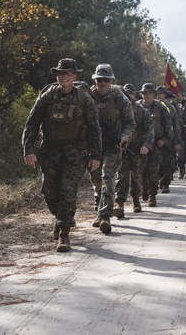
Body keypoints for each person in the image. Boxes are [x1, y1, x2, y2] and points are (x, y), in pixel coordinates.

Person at [21, 58, 102, 252]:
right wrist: (29, 150)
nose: (63, 76)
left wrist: (95, 155)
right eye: (60, 73)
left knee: (67, 191)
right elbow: (31, 124)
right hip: (50, 151)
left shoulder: (84, 99)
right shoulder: (47, 96)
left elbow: (94, 129)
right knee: (49, 192)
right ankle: (60, 219)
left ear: (74, 76)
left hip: (76, 152)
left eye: (67, 73)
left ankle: (64, 233)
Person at [88, 63, 135, 234]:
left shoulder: (120, 99)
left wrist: (124, 137)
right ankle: (99, 210)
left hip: (113, 145)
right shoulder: (88, 97)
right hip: (93, 146)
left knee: (107, 176)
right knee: (96, 180)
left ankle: (105, 215)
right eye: (99, 80)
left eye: (106, 80)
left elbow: (130, 123)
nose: (102, 83)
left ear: (111, 80)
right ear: (95, 80)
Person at [115, 82, 154, 218]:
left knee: (137, 176)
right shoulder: (117, 110)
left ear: (135, 95)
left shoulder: (142, 111)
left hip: (138, 149)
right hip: (122, 149)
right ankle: (119, 203)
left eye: (131, 94)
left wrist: (146, 145)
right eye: (126, 94)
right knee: (122, 176)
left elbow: (149, 130)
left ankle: (136, 199)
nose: (128, 96)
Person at [141, 84, 173, 207]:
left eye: (149, 93)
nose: (146, 95)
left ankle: (152, 195)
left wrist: (165, 139)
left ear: (154, 94)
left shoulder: (161, 108)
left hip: (156, 143)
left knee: (153, 170)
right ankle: (144, 189)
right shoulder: (137, 106)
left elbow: (168, 126)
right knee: (142, 170)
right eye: (144, 93)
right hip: (141, 144)